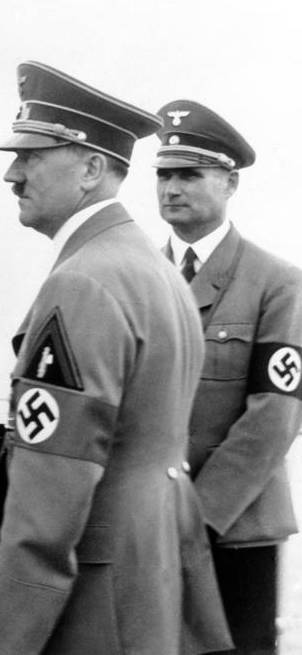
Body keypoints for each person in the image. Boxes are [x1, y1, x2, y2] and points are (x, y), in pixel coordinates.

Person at [0, 61, 231, 654]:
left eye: (32, 156)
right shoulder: (157, 271)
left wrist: (9, 642)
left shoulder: (84, 283)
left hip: (94, 602)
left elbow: (48, 504)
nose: (12, 174)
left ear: (92, 168)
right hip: (152, 577)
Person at [154, 100, 302, 655]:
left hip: (235, 530)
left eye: (189, 173)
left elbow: (274, 420)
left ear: (230, 182)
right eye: (164, 175)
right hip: (149, 530)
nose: (172, 188)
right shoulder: (138, 275)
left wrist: (195, 519)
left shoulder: (277, 283)